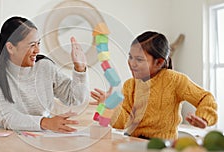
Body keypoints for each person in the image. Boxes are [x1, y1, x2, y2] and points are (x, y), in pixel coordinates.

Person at [90, 31, 218, 140]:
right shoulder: (130, 85)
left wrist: (204, 118)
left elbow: (205, 98)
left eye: (139, 59)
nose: (132, 64)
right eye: (130, 57)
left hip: (162, 148)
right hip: (135, 144)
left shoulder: (175, 80)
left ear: (159, 62)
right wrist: (110, 106)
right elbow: (123, 123)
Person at [0, 16, 89, 133]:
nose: (37, 50)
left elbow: (74, 99)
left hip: (40, 134)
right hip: (2, 136)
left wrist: (80, 68)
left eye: (38, 43)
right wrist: (46, 122)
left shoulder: (45, 66)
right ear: (10, 48)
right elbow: (7, 117)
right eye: (32, 45)